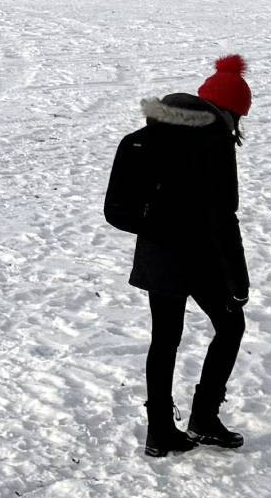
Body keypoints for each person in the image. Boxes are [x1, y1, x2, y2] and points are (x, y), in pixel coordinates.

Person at [103, 55, 252, 457]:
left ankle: (159, 431)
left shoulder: (140, 138)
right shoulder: (216, 143)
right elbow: (224, 216)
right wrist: (239, 281)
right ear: (228, 111)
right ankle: (203, 417)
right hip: (203, 257)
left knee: (164, 339)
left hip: (158, 257)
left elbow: (116, 212)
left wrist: (157, 228)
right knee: (231, 325)